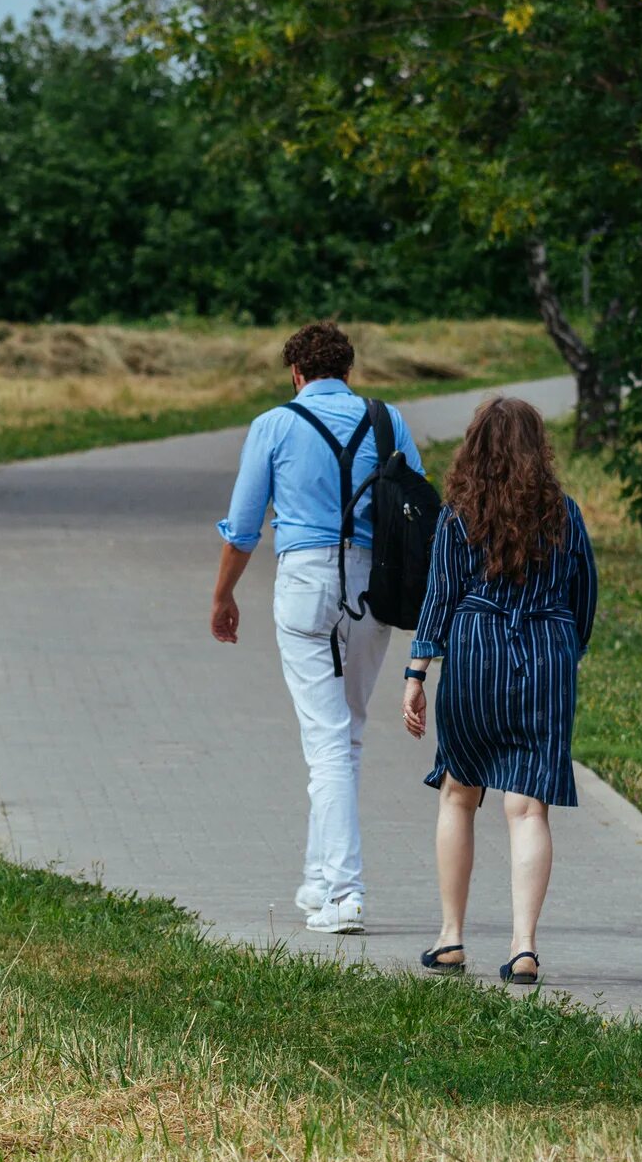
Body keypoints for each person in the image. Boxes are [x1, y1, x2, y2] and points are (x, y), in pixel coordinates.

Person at [209, 320, 429, 935]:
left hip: (304, 583)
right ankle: (317, 876)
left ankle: (345, 892)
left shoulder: (275, 425)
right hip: (372, 584)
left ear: (296, 374)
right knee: (345, 734)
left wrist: (223, 596)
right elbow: (418, 509)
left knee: (327, 738)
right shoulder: (387, 422)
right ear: (348, 372)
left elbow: (243, 528)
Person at [400, 397, 596, 986]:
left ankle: (451, 938)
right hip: (545, 655)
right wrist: (563, 652)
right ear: (539, 450)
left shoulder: (459, 515)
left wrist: (415, 674)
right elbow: (583, 598)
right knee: (527, 805)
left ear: (475, 446)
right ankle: (524, 947)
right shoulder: (564, 513)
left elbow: (438, 597)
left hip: (474, 654)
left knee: (460, 794)